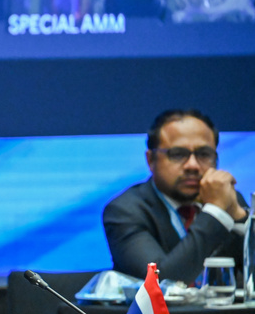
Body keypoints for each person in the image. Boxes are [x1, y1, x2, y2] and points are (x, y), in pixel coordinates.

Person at [103, 108, 247, 284]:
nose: (192, 165)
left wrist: (239, 217)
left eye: (204, 154)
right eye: (178, 154)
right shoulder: (125, 211)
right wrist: (215, 213)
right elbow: (160, 283)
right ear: (150, 160)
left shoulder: (229, 201)